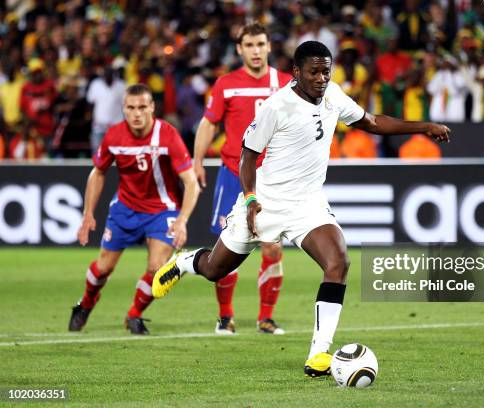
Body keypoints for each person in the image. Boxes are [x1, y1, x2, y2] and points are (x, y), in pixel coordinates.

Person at [152, 41, 449, 376]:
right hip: (266, 202)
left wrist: (423, 126)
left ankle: (318, 354)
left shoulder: (333, 94)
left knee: (338, 261)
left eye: (326, 70)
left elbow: (372, 122)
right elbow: (248, 156)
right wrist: (250, 200)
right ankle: (186, 262)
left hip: (307, 203)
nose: (322, 78)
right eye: (314, 72)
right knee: (214, 270)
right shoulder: (276, 106)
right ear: (296, 73)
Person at [68, 84, 199, 335]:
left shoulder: (168, 135)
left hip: (163, 210)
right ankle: (86, 303)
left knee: (157, 268)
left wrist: (182, 219)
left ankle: (134, 315)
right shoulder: (114, 137)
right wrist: (88, 213)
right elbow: (98, 173)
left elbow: (191, 181)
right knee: (103, 268)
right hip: (125, 209)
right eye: (130, 108)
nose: (137, 113)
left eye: (142, 107)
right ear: (123, 109)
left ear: (152, 108)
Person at [193, 23, 293, 335]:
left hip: (270, 179)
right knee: (225, 251)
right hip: (231, 175)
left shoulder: (286, 83)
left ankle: (266, 318)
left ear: (268, 47)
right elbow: (209, 124)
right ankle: (225, 317)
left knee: (272, 248)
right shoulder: (226, 84)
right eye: (249, 45)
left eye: (260, 44)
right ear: (239, 49)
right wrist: (197, 161)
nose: (255, 50)